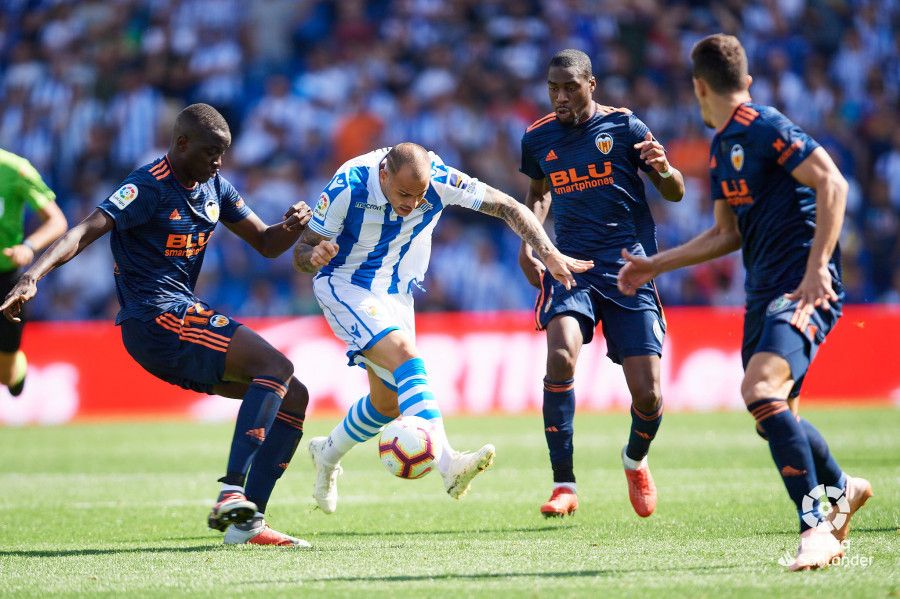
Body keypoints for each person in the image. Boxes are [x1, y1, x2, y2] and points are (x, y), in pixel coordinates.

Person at [1, 104, 315, 548]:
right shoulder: (147, 186)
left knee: (293, 396)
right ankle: (231, 492)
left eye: (222, 154)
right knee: (276, 366)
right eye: (211, 153)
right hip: (156, 318)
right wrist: (33, 275)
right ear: (182, 144)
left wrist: (291, 227)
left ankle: (248, 523)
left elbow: (266, 244)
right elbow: (83, 231)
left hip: (178, 319)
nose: (218, 163)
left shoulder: (216, 188)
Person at [617, 34, 872, 571]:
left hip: (800, 288)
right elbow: (723, 235)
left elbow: (833, 183)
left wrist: (817, 267)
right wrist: (650, 266)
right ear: (744, 80)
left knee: (760, 390)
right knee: (773, 416)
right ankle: (843, 488)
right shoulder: (721, 147)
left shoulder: (766, 127)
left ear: (698, 87)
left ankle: (816, 529)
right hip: (761, 295)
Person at [294, 142, 592, 514]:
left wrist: (548, 252)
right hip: (345, 285)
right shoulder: (349, 184)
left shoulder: (439, 179)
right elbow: (302, 251)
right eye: (403, 194)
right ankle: (449, 463)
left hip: (397, 291)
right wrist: (314, 255)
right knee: (406, 357)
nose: (411, 204)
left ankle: (327, 452)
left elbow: (508, 207)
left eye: (419, 197)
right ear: (383, 174)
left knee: (387, 404)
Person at [517, 49, 685, 518]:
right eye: (553, 88)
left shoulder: (627, 128)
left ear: (592, 84)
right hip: (570, 263)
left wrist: (666, 170)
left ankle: (635, 460)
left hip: (631, 267)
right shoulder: (538, 137)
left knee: (648, 395)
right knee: (561, 354)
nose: (561, 96)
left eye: (570, 86)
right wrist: (531, 244)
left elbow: (674, 191)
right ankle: (564, 484)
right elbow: (538, 191)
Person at [0, 149, 67, 396]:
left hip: (6, 280)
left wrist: (28, 247)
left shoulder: (16, 169)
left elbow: (57, 221)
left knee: (6, 376)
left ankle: (15, 369)